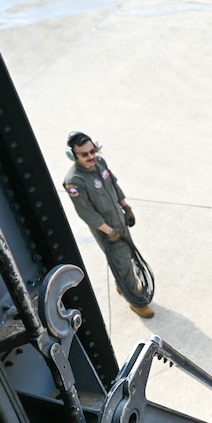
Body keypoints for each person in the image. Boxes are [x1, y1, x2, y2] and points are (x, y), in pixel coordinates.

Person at [62, 131, 154, 318]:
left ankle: (123, 285)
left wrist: (126, 207)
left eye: (92, 151)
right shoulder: (74, 181)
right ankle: (136, 302)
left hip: (119, 220)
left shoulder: (99, 163)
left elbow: (113, 184)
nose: (90, 157)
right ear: (74, 155)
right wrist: (109, 231)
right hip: (107, 229)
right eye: (85, 154)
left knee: (126, 256)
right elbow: (86, 213)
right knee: (122, 262)